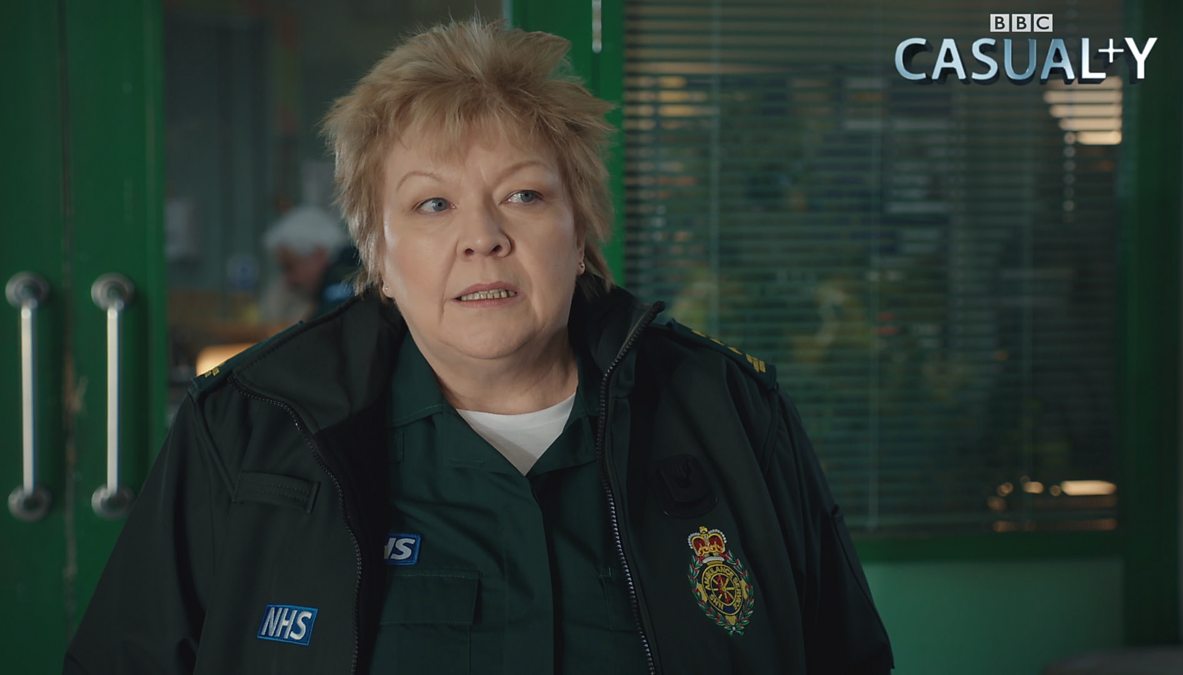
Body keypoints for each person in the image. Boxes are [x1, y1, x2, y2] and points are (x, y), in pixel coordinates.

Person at [65, 18, 893, 675]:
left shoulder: (735, 414)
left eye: (524, 195)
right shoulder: (249, 432)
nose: (483, 237)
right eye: (433, 205)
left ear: (581, 232)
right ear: (377, 256)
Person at [262, 203, 360, 318]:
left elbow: (324, 323)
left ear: (318, 254)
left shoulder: (343, 277)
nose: (289, 279)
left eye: (290, 267)